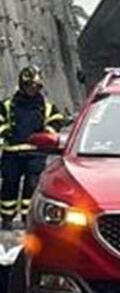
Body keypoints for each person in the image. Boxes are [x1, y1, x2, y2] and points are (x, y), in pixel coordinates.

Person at [0, 66, 64, 230]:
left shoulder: (45, 106)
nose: (32, 90)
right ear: (23, 85)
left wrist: (47, 133)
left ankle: (27, 218)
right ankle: (7, 218)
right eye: (29, 86)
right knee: (10, 185)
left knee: (32, 185)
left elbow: (57, 119)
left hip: (35, 152)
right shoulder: (8, 105)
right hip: (12, 153)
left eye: (36, 87)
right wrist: (6, 132)